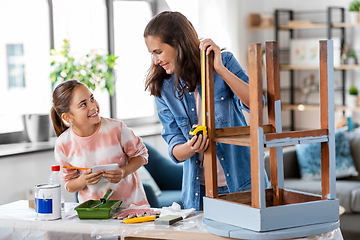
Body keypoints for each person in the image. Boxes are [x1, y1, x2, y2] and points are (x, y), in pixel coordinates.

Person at [143, 11, 269, 211]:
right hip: (199, 193)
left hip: (243, 184)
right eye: (152, 54)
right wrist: (192, 147)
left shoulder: (224, 61)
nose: (156, 60)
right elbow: (175, 147)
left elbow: (256, 103)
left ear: (177, 43)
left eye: (158, 52)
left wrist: (220, 69)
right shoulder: (163, 88)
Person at [50, 79, 149, 208]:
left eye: (92, 98)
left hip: (131, 208)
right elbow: (69, 184)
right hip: (94, 214)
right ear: (68, 117)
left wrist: (123, 172)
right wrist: (82, 180)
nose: (93, 106)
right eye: (83, 104)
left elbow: (142, 155)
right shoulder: (63, 144)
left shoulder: (116, 128)